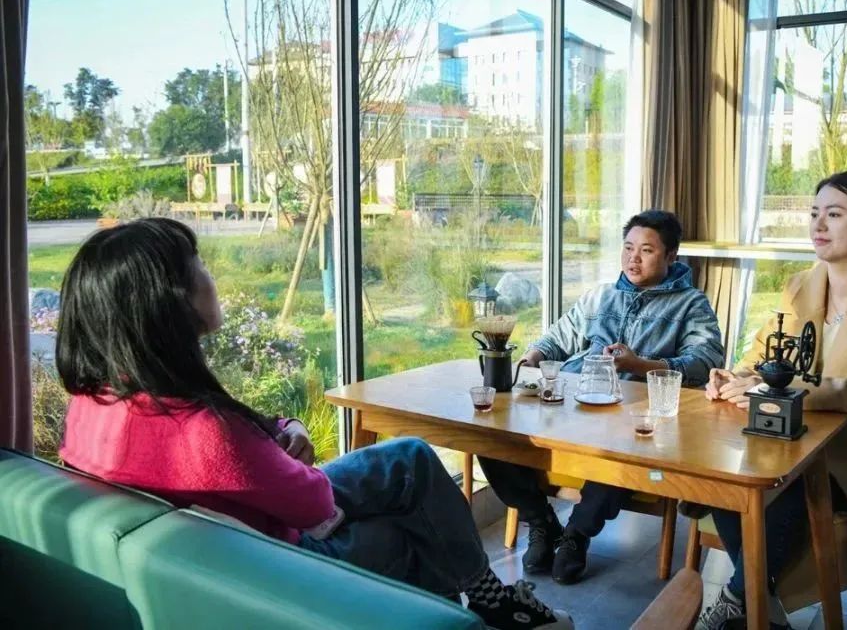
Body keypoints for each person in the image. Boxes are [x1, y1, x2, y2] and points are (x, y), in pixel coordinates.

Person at [56, 218, 572, 630]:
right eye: (201, 265)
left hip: (228, 553)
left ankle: (482, 600)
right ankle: (489, 601)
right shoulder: (203, 431)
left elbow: (245, 445)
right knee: (412, 523)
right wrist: (281, 455)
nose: (210, 276)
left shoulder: (96, 405)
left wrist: (289, 426)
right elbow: (315, 507)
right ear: (171, 304)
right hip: (284, 565)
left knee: (410, 459)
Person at [695, 170, 847, 630]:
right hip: (779, 441)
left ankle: (737, 599)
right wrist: (734, 377)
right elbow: (761, 356)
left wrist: (794, 391)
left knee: (790, 481)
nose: (817, 225)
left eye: (834, 215)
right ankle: (762, 608)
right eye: (815, 213)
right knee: (721, 474)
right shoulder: (799, 287)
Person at [478, 210, 726, 585]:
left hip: (634, 418)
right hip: (573, 406)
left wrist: (640, 364)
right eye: (628, 248)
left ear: (671, 256)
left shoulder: (690, 304)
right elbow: (556, 339)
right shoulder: (601, 296)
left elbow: (706, 361)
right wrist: (529, 361)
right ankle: (541, 521)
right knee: (489, 433)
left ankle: (576, 535)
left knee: (626, 450)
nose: (633, 258)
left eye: (646, 250)